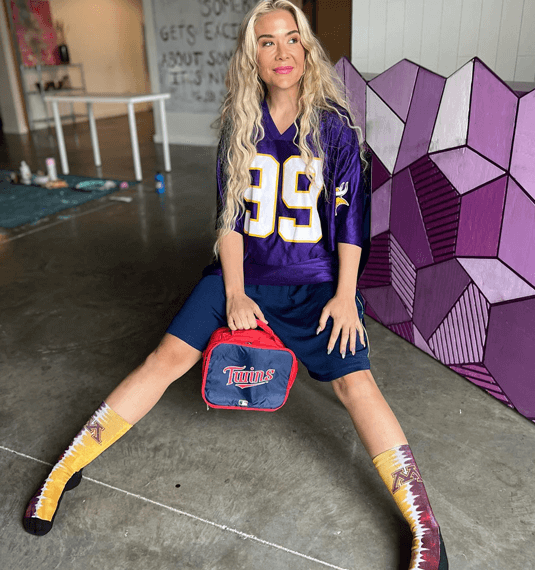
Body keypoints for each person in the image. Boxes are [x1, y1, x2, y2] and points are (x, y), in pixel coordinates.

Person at [23, 1, 448, 568]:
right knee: (164, 359)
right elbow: (228, 223)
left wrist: (346, 297)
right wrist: (234, 292)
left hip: (316, 284)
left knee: (356, 385)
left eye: (292, 39)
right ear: (253, 55)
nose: (282, 52)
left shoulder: (337, 128)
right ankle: (66, 468)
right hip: (246, 276)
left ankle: (426, 526)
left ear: (306, 50)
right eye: (267, 41)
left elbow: (351, 224)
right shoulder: (239, 125)